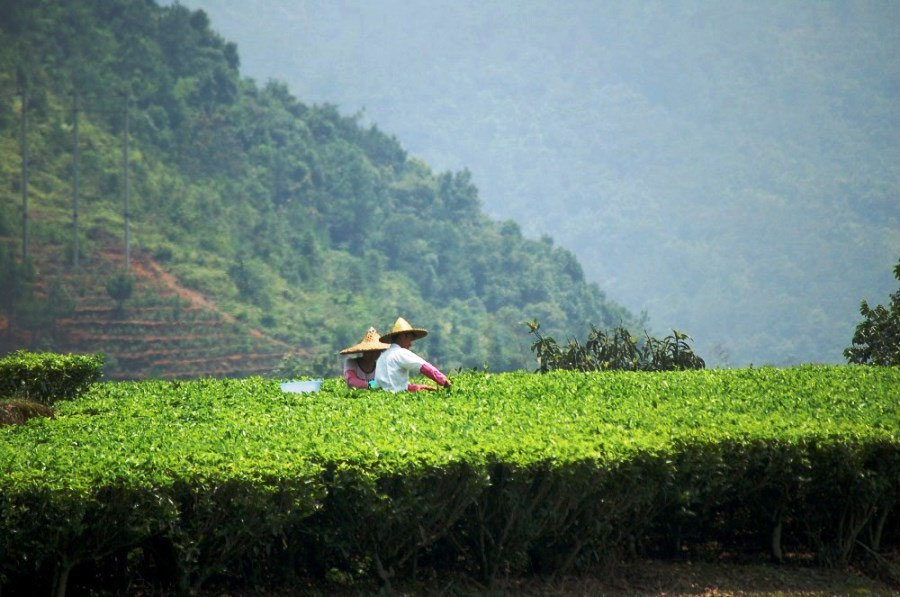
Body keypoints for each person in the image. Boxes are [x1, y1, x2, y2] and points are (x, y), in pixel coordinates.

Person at [374, 317, 452, 392]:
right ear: (402, 337)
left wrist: (420, 387)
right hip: (397, 395)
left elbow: (394, 385)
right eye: (409, 339)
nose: (410, 344)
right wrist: (443, 381)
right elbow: (423, 366)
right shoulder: (400, 353)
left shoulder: (382, 357)